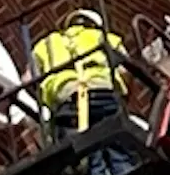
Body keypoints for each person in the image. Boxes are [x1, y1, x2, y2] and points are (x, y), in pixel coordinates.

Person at [31, 8, 128, 136]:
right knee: (113, 144)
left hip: (66, 101)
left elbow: (29, 79)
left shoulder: (46, 43)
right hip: (102, 94)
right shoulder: (106, 38)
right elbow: (125, 72)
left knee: (74, 150)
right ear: (95, 25)